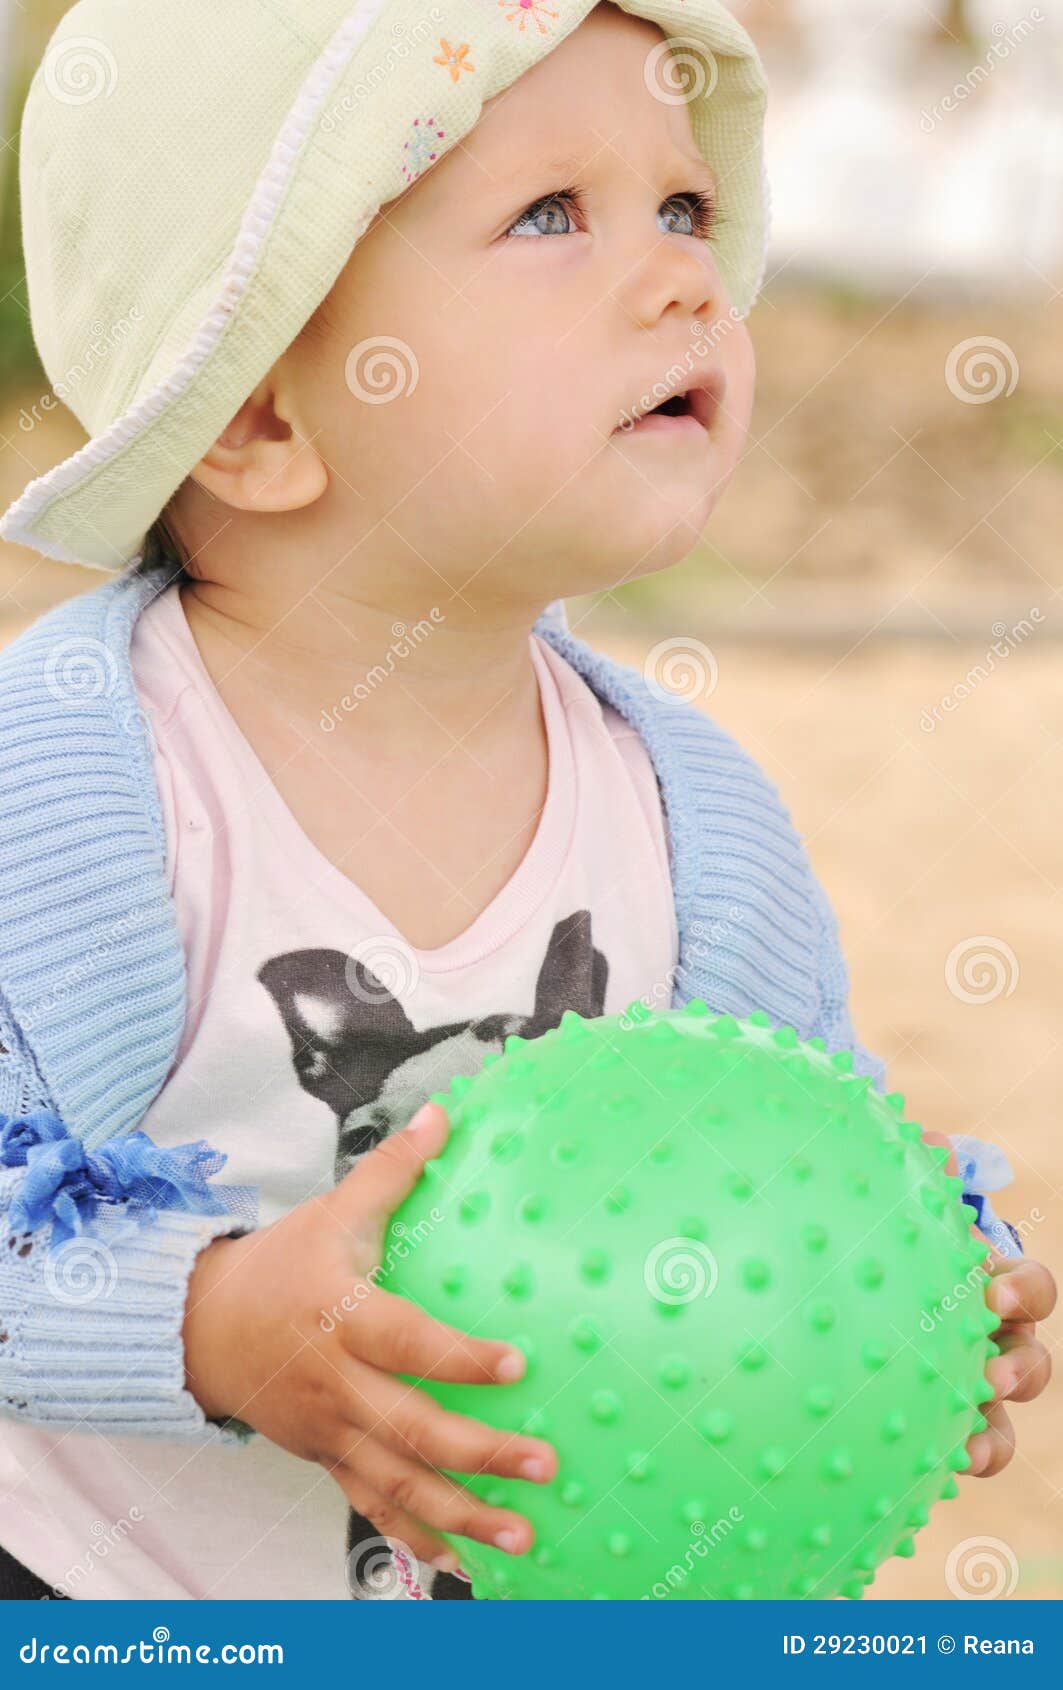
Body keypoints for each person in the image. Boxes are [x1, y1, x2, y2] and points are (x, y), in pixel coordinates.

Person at [0, 0, 1053, 1602]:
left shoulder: (691, 809)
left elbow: (791, 1137)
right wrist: (207, 1323)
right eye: (552, 214)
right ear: (264, 415)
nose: (689, 277)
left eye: (686, 205)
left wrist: (919, 1272)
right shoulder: (78, 784)